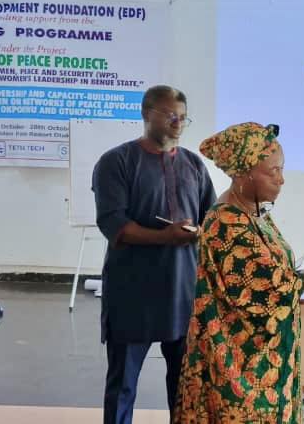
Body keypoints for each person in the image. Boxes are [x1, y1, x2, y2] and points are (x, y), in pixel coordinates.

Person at [176, 122, 304, 423]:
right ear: (244, 174)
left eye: (282, 169)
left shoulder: (255, 213)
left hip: (266, 362)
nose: (281, 179)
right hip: (239, 370)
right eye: (273, 171)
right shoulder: (227, 224)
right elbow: (273, 297)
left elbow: (270, 276)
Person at [93, 85, 216, 424]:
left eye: (183, 117)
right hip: (132, 294)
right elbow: (115, 226)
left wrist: (200, 232)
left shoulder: (193, 164)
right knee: (123, 386)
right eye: (170, 115)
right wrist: (166, 236)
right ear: (146, 113)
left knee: (184, 388)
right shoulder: (116, 162)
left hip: (182, 294)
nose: (178, 123)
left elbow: (212, 220)